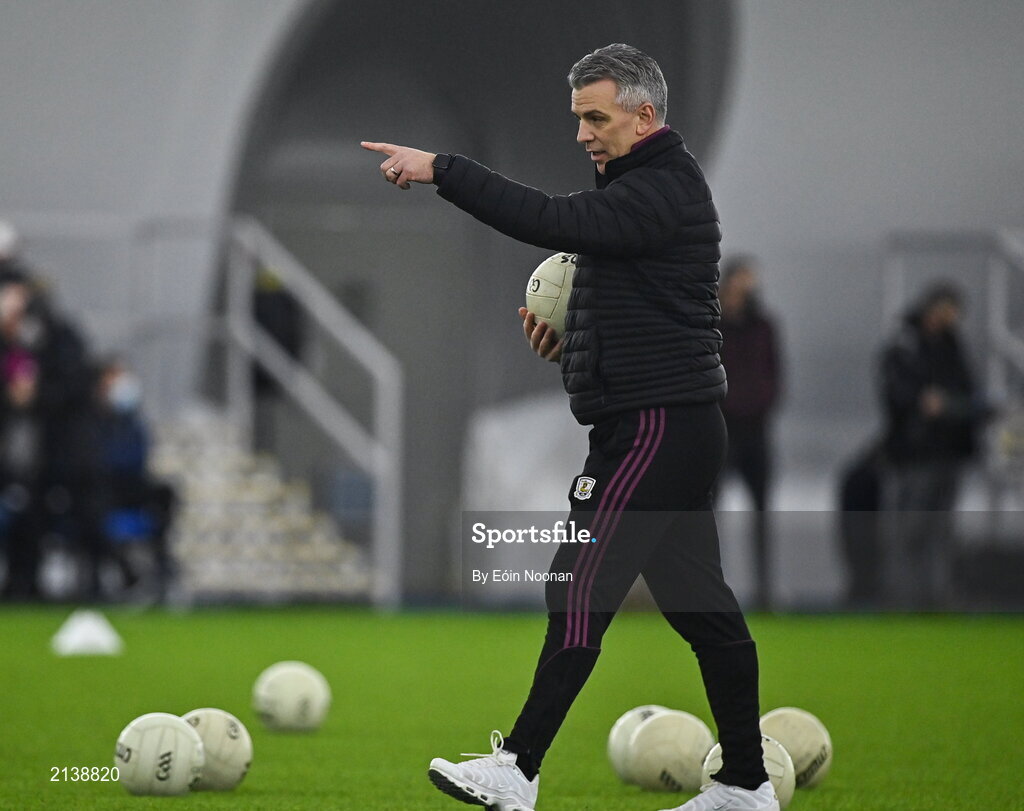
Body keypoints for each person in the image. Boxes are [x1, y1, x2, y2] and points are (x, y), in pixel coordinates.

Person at [363, 44, 777, 811]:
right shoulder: (639, 189)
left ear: (644, 114)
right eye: (578, 118)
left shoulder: (662, 187)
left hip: (655, 427)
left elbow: (548, 218)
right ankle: (747, 784)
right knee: (702, 608)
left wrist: (443, 169)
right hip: (662, 424)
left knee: (578, 579)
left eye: (597, 116)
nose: (584, 133)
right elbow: (641, 312)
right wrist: (569, 344)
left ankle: (518, 767)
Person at [879, 282, 987, 608]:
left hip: (949, 450)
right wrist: (927, 403)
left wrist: (948, 405)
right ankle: (901, 598)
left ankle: (937, 598)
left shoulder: (953, 345)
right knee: (909, 530)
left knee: (942, 531)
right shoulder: (905, 345)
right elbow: (899, 395)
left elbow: (969, 394)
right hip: (915, 454)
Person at [716, 258, 782, 610]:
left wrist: (761, 403)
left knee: (762, 513)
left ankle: (765, 593)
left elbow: (775, 372)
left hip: (756, 431)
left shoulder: (764, 325)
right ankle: (710, 590)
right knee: (711, 514)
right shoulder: (711, 323)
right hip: (721, 430)